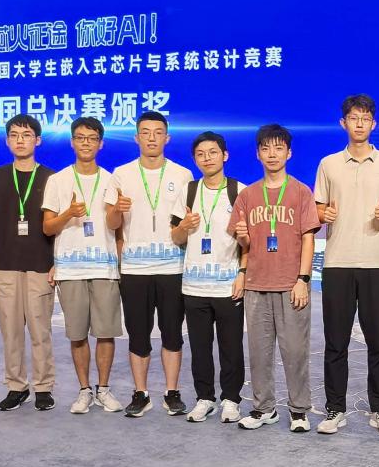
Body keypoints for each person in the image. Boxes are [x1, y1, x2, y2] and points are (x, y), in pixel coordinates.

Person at [313, 94, 379, 435]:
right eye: (354, 118)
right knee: (336, 341)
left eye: (365, 118)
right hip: (337, 262)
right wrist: (324, 214)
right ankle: (335, 409)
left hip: (377, 263)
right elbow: (317, 209)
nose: (360, 124)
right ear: (344, 123)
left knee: (378, 341)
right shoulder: (328, 164)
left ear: (373, 123)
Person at [232, 124, 320, 432]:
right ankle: (263, 408)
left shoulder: (301, 192)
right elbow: (244, 244)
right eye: (266, 148)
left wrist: (303, 279)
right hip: (257, 285)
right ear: (258, 154)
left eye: (278, 148)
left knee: (295, 352)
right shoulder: (247, 196)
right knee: (259, 353)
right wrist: (242, 243)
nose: (272, 154)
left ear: (289, 153)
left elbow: (308, 238)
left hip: (290, 285)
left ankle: (299, 410)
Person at [112, 111, 192, 418]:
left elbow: (184, 224)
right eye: (145, 132)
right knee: (138, 334)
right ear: (136, 138)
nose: (151, 138)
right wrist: (116, 210)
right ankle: (140, 393)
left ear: (167, 138)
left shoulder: (182, 175)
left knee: (172, 333)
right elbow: (113, 225)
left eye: (158, 132)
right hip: (135, 270)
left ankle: (172, 392)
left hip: (172, 268)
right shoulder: (122, 174)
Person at [42, 117, 124, 415]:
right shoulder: (57, 180)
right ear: (72, 142)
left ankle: (103, 389)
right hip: (71, 269)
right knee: (77, 334)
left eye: (92, 138)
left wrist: (116, 211)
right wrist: (68, 214)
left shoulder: (112, 180)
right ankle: (84, 390)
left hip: (104, 268)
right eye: (80, 137)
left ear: (101, 143)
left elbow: (116, 226)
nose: (86, 143)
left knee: (106, 332)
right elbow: (48, 227)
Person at [0, 114, 57, 411]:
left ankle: (43, 387)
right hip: (4, 264)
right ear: (7, 141)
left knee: (40, 330)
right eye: (14, 135)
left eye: (26, 135)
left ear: (37, 140)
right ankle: (16, 386)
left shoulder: (52, 178)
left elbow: (57, 225)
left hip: (41, 264)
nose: (20, 140)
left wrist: (57, 262)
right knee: (10, 331)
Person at [175, 131, 245, 424]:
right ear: (195, 159)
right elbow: (176, 237)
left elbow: (248, 242)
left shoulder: (239, 191)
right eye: (201, 154)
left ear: (224, 155)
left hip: (228, 285)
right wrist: (185, 226)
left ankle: (231, 399)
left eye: (213, 152)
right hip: (194, 285)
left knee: (231, 347)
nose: (207, 158)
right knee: (200, 348)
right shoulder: (188, 191)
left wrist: (242, 274)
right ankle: (205, 398)